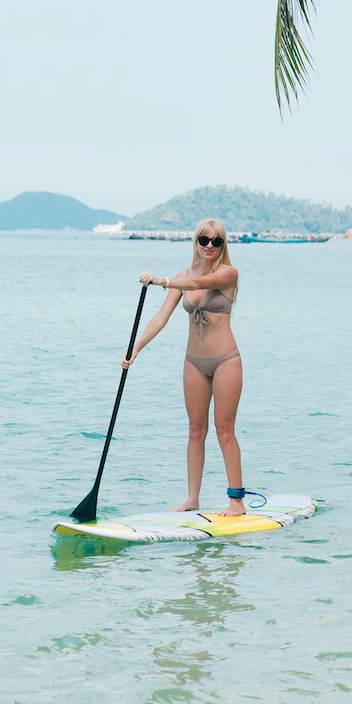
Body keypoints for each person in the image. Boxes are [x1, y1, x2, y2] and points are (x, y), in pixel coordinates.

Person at [123, 218, 246, 516]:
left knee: (224, 430)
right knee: (195, 430)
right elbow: (161, 317)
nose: (209, 246)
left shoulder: (228, 273)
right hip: (194, 362)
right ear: (196, 241)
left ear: (223, 246)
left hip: (225, 360)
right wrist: (136, 349)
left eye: (216, 242)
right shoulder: (183, 275)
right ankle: (192, 498)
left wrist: (161, 280)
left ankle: (236, 501)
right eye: (204, 239)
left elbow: (198, 284)